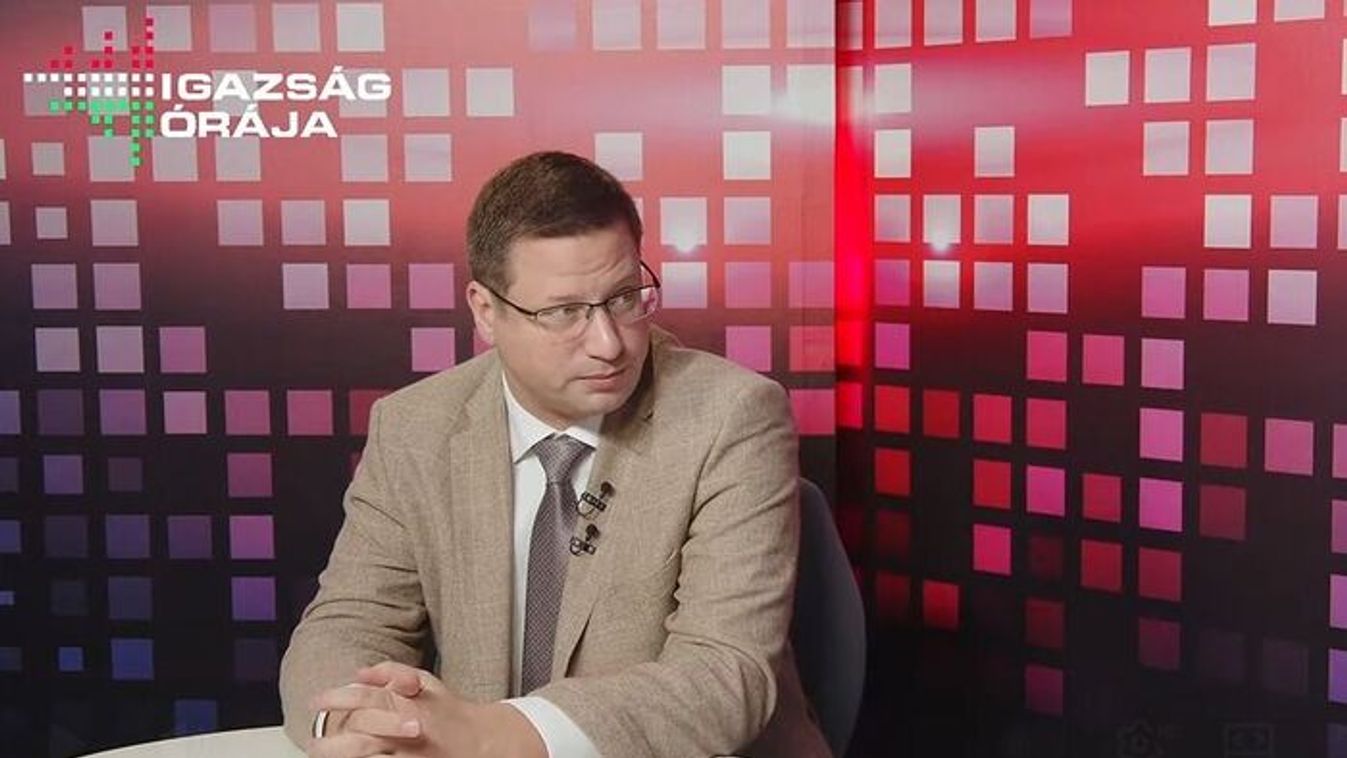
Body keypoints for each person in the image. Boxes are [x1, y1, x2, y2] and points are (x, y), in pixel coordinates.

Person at [279, 151, 830, 758]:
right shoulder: (414, 427)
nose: (609, 344)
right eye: (564, 312)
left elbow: (725, 675)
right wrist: (355, 724)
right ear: (486, 312)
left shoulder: (731, 416)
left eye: (625, 297)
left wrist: (491, 737)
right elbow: (349, 622)